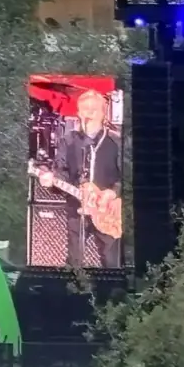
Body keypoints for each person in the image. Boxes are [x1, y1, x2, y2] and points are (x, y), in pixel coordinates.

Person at [36, 89, 122, 268]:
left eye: (93, 110)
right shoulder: (68, 141)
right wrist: (50, 181)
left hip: (107, 211)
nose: (89, 114)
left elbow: (124, 177)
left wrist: (112, 193)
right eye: (85, 109)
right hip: (77, 208)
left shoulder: (115, 142)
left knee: (112, 263)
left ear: (103, 113)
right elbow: (61, 173)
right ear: (78, 113)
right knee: (75, 261)